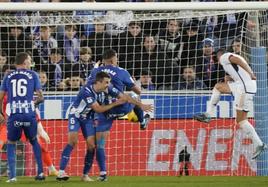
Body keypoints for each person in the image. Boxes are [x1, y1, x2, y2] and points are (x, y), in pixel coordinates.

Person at [87, 49, 153, 181]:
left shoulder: (96, 72)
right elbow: (138, 91)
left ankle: (103, 174)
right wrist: (134, 82)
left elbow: (89, 85)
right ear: (113, 59)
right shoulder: (122, 71)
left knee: (100, 144)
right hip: (121, 108)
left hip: (105, 111)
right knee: (133, 95)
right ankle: (142, 121)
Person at [193, 49, 266, 159]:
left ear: (218, 55)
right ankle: (208, 114)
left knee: (241, 121)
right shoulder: (231, 60)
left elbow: (236, 60)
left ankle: (259, 144)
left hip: (244, 89)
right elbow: (238, 69)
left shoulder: (224, 57)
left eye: (215, 58)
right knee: (218, 87)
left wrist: (251, 73)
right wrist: (231, 77)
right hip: (244, 86)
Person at [56, 72, 127, 182]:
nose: (108, 85)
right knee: (73, 141)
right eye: (106, 82)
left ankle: (85, 175)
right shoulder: (86, 91)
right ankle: (61, 172)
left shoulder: (105, 89)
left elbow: (122, 97)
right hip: (76, 115)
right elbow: (98, 109)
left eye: (109, 82)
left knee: (91, 145)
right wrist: (116, 103)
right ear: (98, 82)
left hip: (88, 118)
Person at [0, 52, 45, 182]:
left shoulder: (8, 76)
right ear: (25, 62)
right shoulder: (33, 75)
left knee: (11, 143)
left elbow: (1, 97)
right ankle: (41, 173)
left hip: (14, 115)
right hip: (29, 114)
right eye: (30, 60)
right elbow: (41, 97)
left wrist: (1, 114)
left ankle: (12, 176)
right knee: (34, 140)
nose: (31, 63)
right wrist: (33, 103)